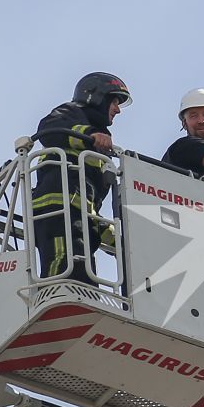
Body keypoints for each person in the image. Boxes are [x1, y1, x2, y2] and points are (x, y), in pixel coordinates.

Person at [31, 71, 131, 284]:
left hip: (77, 217)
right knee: (65, 269)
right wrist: (89, 135)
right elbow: (49, 130)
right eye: (114, 101)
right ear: (97, 96)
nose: (118, 110)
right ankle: (58, 299)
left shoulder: (99, 146)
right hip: (57, 211)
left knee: (85, 275)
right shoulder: (72, 112)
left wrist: (121, 241)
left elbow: (91, 205)